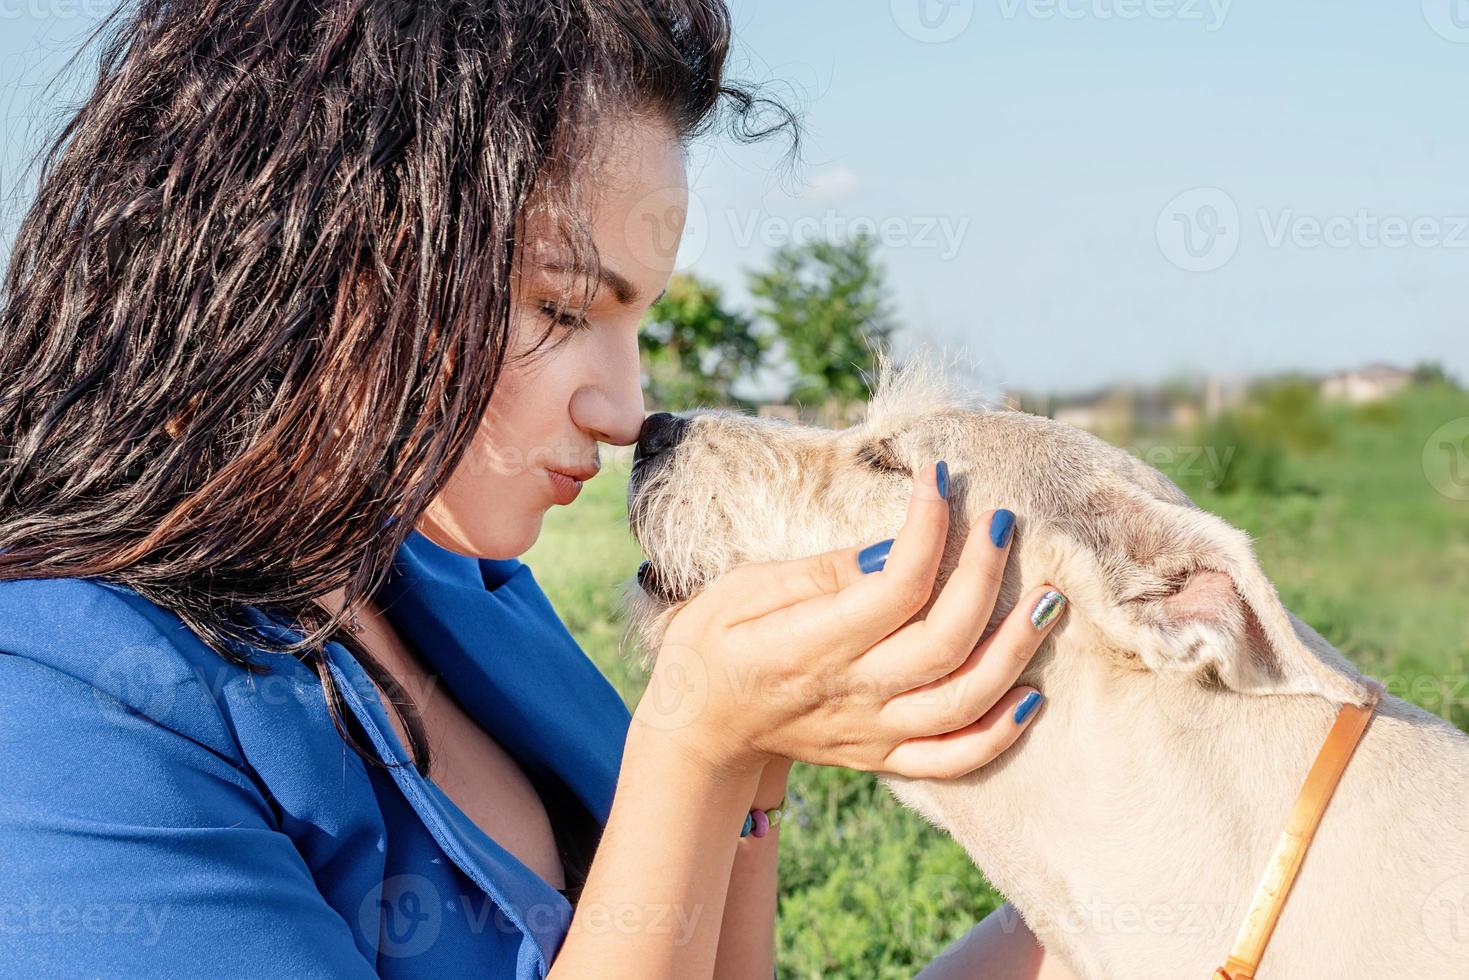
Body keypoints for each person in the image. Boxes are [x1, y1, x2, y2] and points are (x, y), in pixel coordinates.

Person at [0, 1, 1080, 977]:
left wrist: (1116, 899)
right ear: (314, 259)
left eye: (636, 321)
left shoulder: (454, 584)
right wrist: (693, 744)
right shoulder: (51, 710)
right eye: (562, 308)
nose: (622, 407)